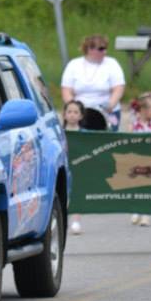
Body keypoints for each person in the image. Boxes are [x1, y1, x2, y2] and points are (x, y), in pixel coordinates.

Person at [61, 35, 126, 131]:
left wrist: (111, 105)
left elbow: (118, 88)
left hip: (107, 111)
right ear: (90, 49)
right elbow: (66, 90)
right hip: (81, 112)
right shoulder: (73, 65)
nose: (105, 52)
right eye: (101, 49)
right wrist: (73, 108)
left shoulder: (112, 64)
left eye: (105, 49)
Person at [128, 92, 151, 227]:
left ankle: (146, 214)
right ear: (143, 110)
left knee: (148, 186)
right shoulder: (134, 126)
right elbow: (127, 141)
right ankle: (136, 209)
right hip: (136, 159)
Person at [62, 100, 85, 235]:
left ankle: (76, 221)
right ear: (64, 114)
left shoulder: (85, 134)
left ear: (81, 116)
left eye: (76, 112)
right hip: (63, 168)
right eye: (69, 111)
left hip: (77, 168)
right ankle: (63, 221)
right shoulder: (60, 133)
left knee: (76, 194)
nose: (72, 115)